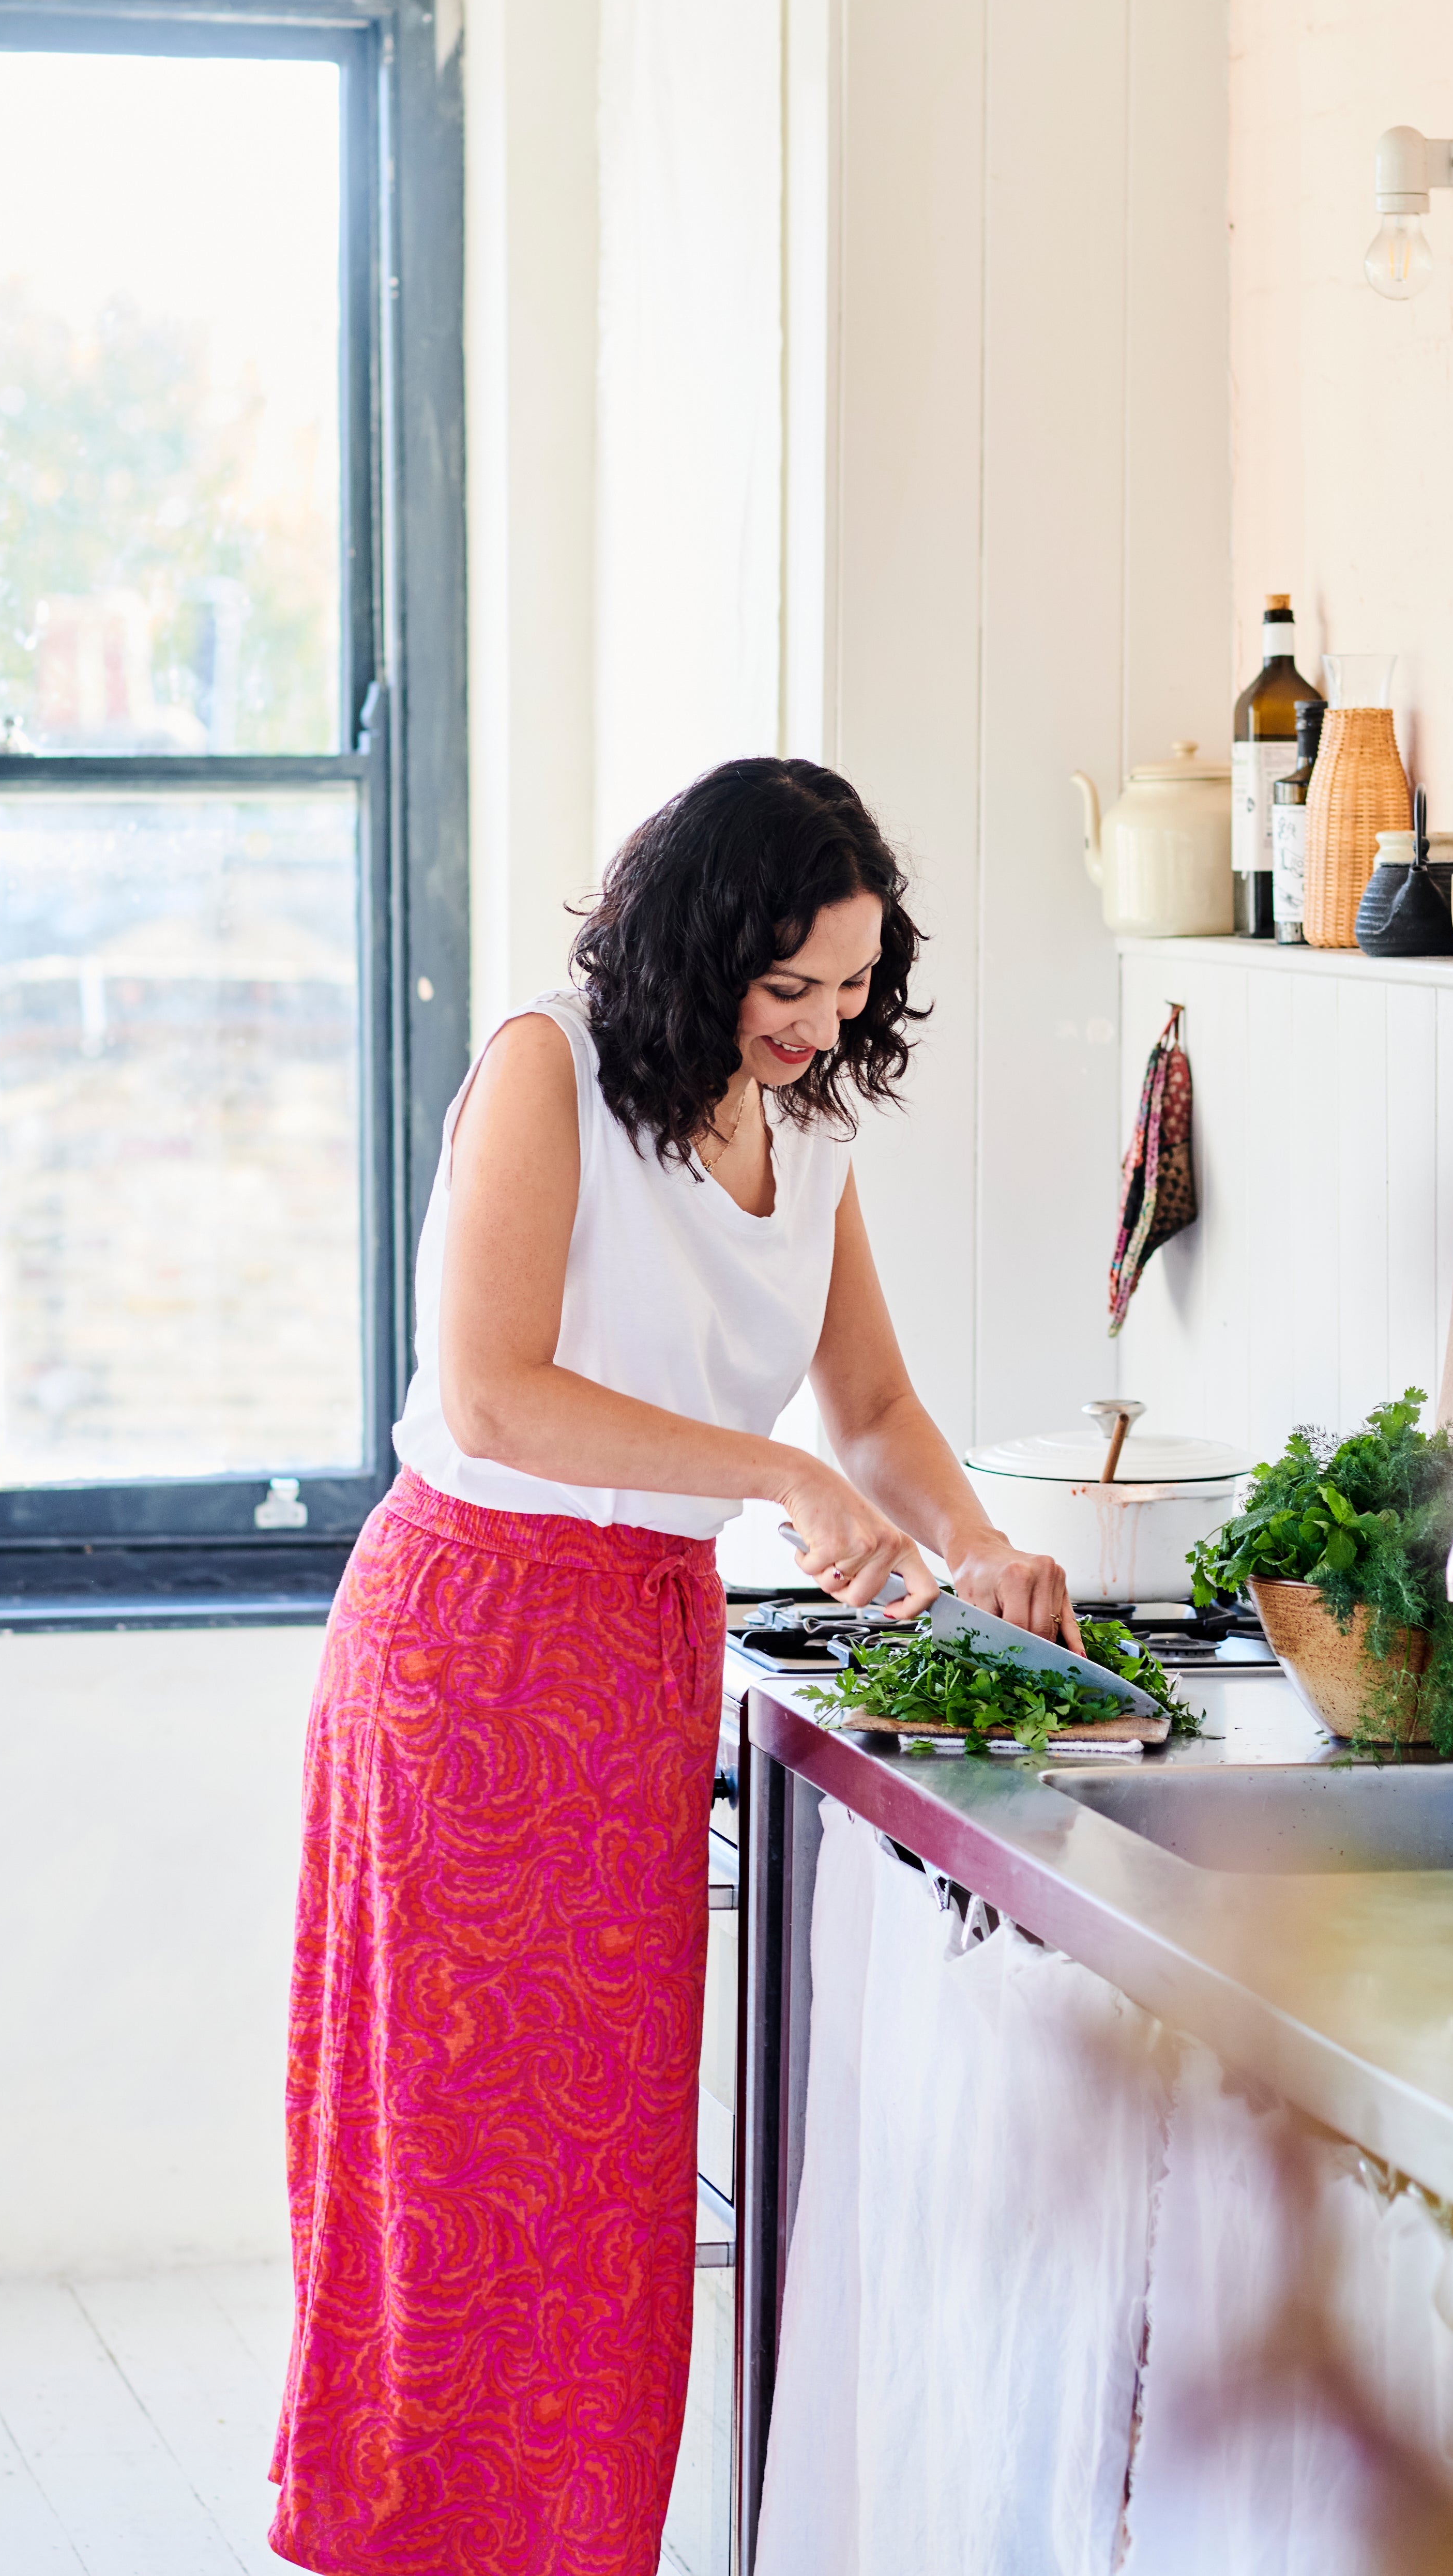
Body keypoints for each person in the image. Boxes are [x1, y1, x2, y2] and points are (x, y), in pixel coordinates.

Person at [268, 756, 1076, 2576]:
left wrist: (979, 1547)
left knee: (603, 2181)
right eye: (788, 987)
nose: (820, 1025)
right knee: (457, 2162)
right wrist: (772, 1473)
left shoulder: (813, 1134)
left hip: (636, 1659)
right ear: (702, 944)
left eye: (855, 988)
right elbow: (494, 1392)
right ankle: (410, 2542)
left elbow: (866, 1404)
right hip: (472, 1651)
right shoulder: (549, 1067)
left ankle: (572, 2549)